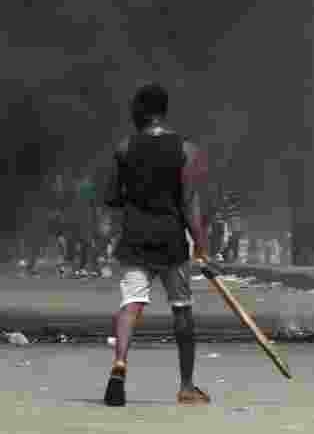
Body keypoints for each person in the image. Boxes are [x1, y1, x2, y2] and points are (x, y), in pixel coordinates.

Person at [102, 83, 211, 407]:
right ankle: (187, 387)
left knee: (131, 304)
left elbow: (111, 197)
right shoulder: (185, 150)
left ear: (141, 112)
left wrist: (134, 195)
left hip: (135, 237)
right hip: (171, 240)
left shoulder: (124, 148)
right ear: (164, 111)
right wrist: (202, 244)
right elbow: (190, 202)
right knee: (182, 310)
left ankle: (119, 365)